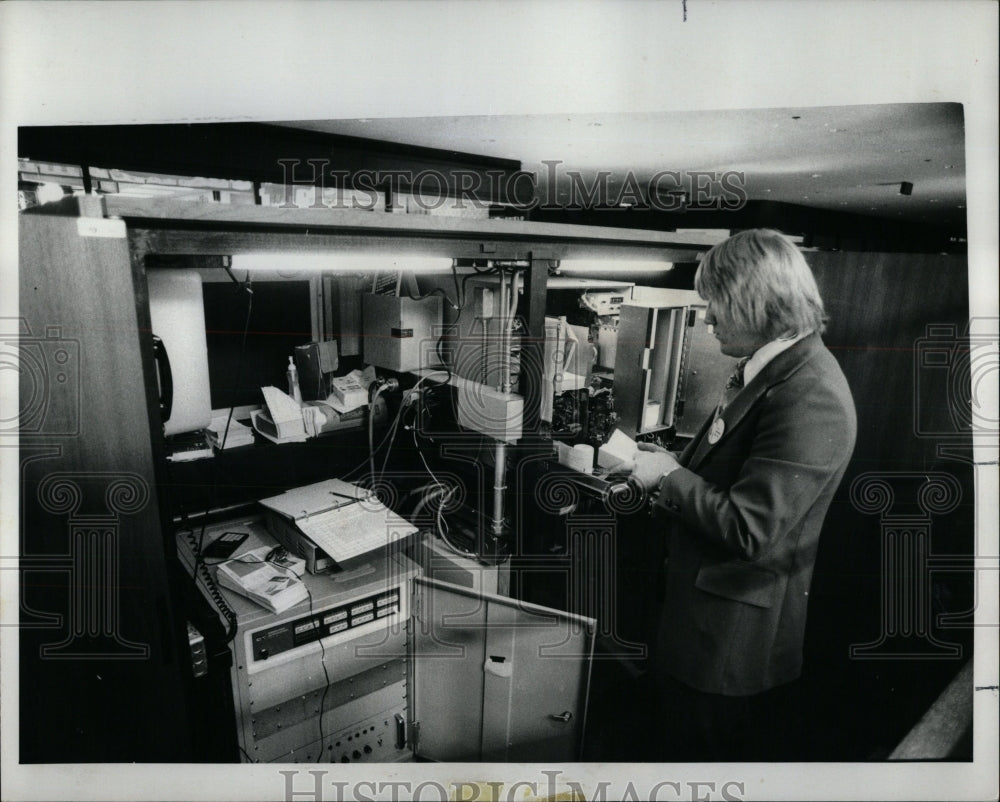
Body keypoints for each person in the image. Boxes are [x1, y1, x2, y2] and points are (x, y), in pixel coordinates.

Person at [618, 228, 856, 761]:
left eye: (717, 305)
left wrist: (668, 478)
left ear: (756, 301)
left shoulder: (810, 393)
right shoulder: (769, 373)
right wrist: (673, 470)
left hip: (727, 648)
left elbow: (753, 528)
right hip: (700, 627)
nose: (707, 319)